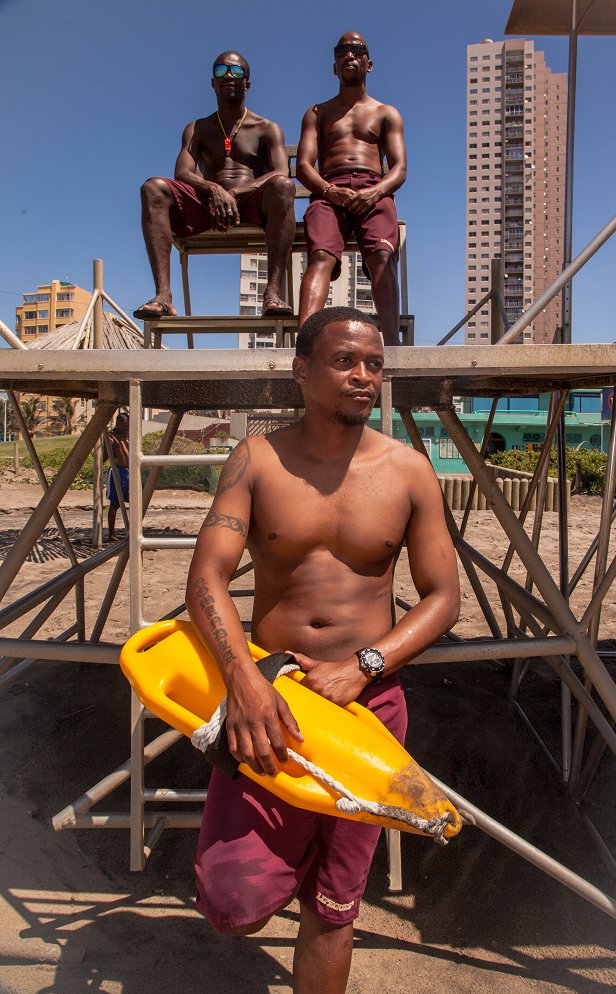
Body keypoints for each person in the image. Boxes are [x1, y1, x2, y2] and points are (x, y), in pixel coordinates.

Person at [185, 307, 460, 993]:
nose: (362, 376)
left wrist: (363, 665)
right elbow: (206, 578)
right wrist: (245, 682)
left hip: (368, 706)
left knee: (335, 908)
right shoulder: (256, 459)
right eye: (344, 361)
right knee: (233, 903)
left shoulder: (407, 472)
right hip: (269, 702)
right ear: (301, 369)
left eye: (373, 364)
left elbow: (442, 598)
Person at [134, 51, 295, 320]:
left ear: (248, 83)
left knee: (282, 186)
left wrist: (238, 191)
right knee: (152, 188)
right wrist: (215, 189)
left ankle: (272, 295)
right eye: (221, 71)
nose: (229, 76)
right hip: (209, 203)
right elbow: (182, 172)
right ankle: (163, 296)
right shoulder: (198, 128)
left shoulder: (267, 128)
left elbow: (281, 171)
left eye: (237, 72)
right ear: (212, 83)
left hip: (252, 202)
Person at [296, 34, 407, 347]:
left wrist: (375, 193)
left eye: (357, 50)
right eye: (342, 51)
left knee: (383, 256)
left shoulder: (386, 113)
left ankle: (393, 346)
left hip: (374, 188)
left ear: (369, 64)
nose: (349, 55)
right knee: (320, 256)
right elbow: (304, 166)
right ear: (334, 66)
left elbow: (399, 168)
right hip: (330, 190)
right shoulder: (317, 113)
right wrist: (331, 192)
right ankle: (305, 345)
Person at [106, 411, 129, 543]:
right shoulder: (111, 436)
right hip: (117, 472)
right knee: (114, 504)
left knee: (135, 500)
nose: (127, 428)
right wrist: (114, 445)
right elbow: (105, 456)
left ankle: (132, 529)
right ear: (119, 423)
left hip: (128, 471)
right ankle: (111, 533)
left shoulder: (128, 436)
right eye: (125, 426)